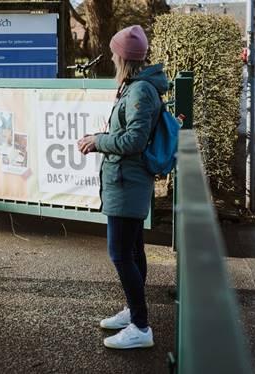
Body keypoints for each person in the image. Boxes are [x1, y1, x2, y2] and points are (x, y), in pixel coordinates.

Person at [77, 25, 168, 349]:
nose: (112, 55)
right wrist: (101, 138)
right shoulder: (135, 87)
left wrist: (97, 141)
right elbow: (130, 133)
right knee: (132, 250)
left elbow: (134, 140)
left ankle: (141, 326)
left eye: (115, 51)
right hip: (124, 180)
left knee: (120, 253)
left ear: (122, 56)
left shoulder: (140, 91)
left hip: (127, 181)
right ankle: (133, 312)